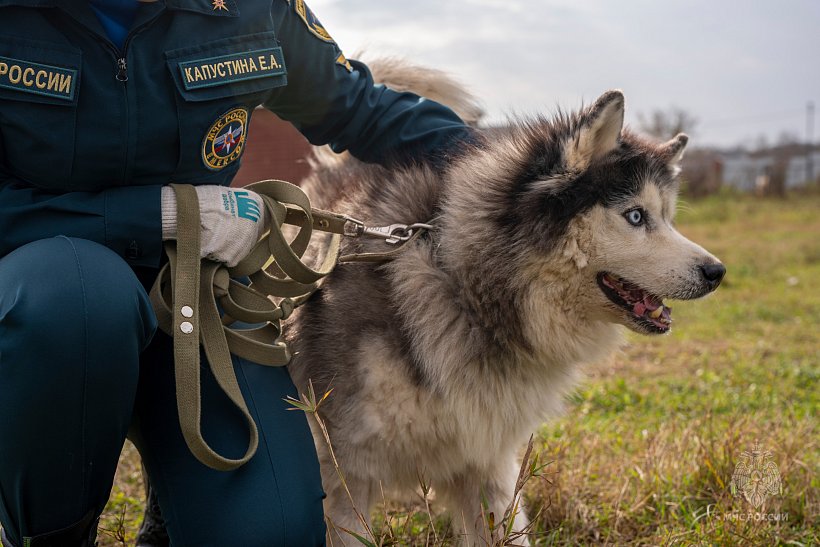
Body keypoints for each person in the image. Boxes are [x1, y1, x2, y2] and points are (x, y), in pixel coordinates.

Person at [0, 0, 471, 544]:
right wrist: (164, 215)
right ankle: (52, 533)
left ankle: (173, 512)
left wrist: (507, 161)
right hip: (50, 301)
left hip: (198, 294)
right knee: (76, 300)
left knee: (272, 533)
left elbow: (358, 107)